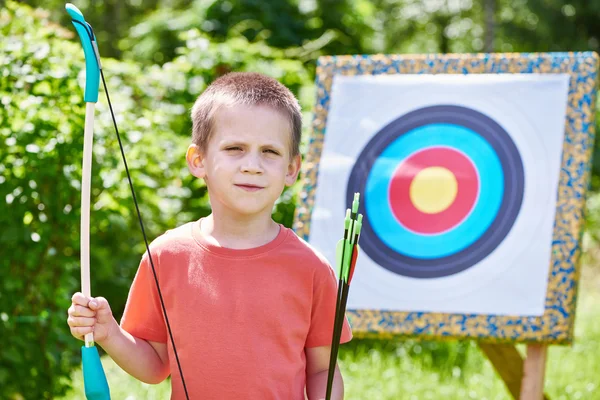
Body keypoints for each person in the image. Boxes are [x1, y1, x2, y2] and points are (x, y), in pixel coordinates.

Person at [67, 71, 353, 399]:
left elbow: (323, 369)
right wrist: (108, 333)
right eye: (235, 148)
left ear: (291, 168)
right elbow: (155, 367)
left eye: (270, 152)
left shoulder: (312, 268)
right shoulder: (166, 255)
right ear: (198, 160)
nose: (253, 165)